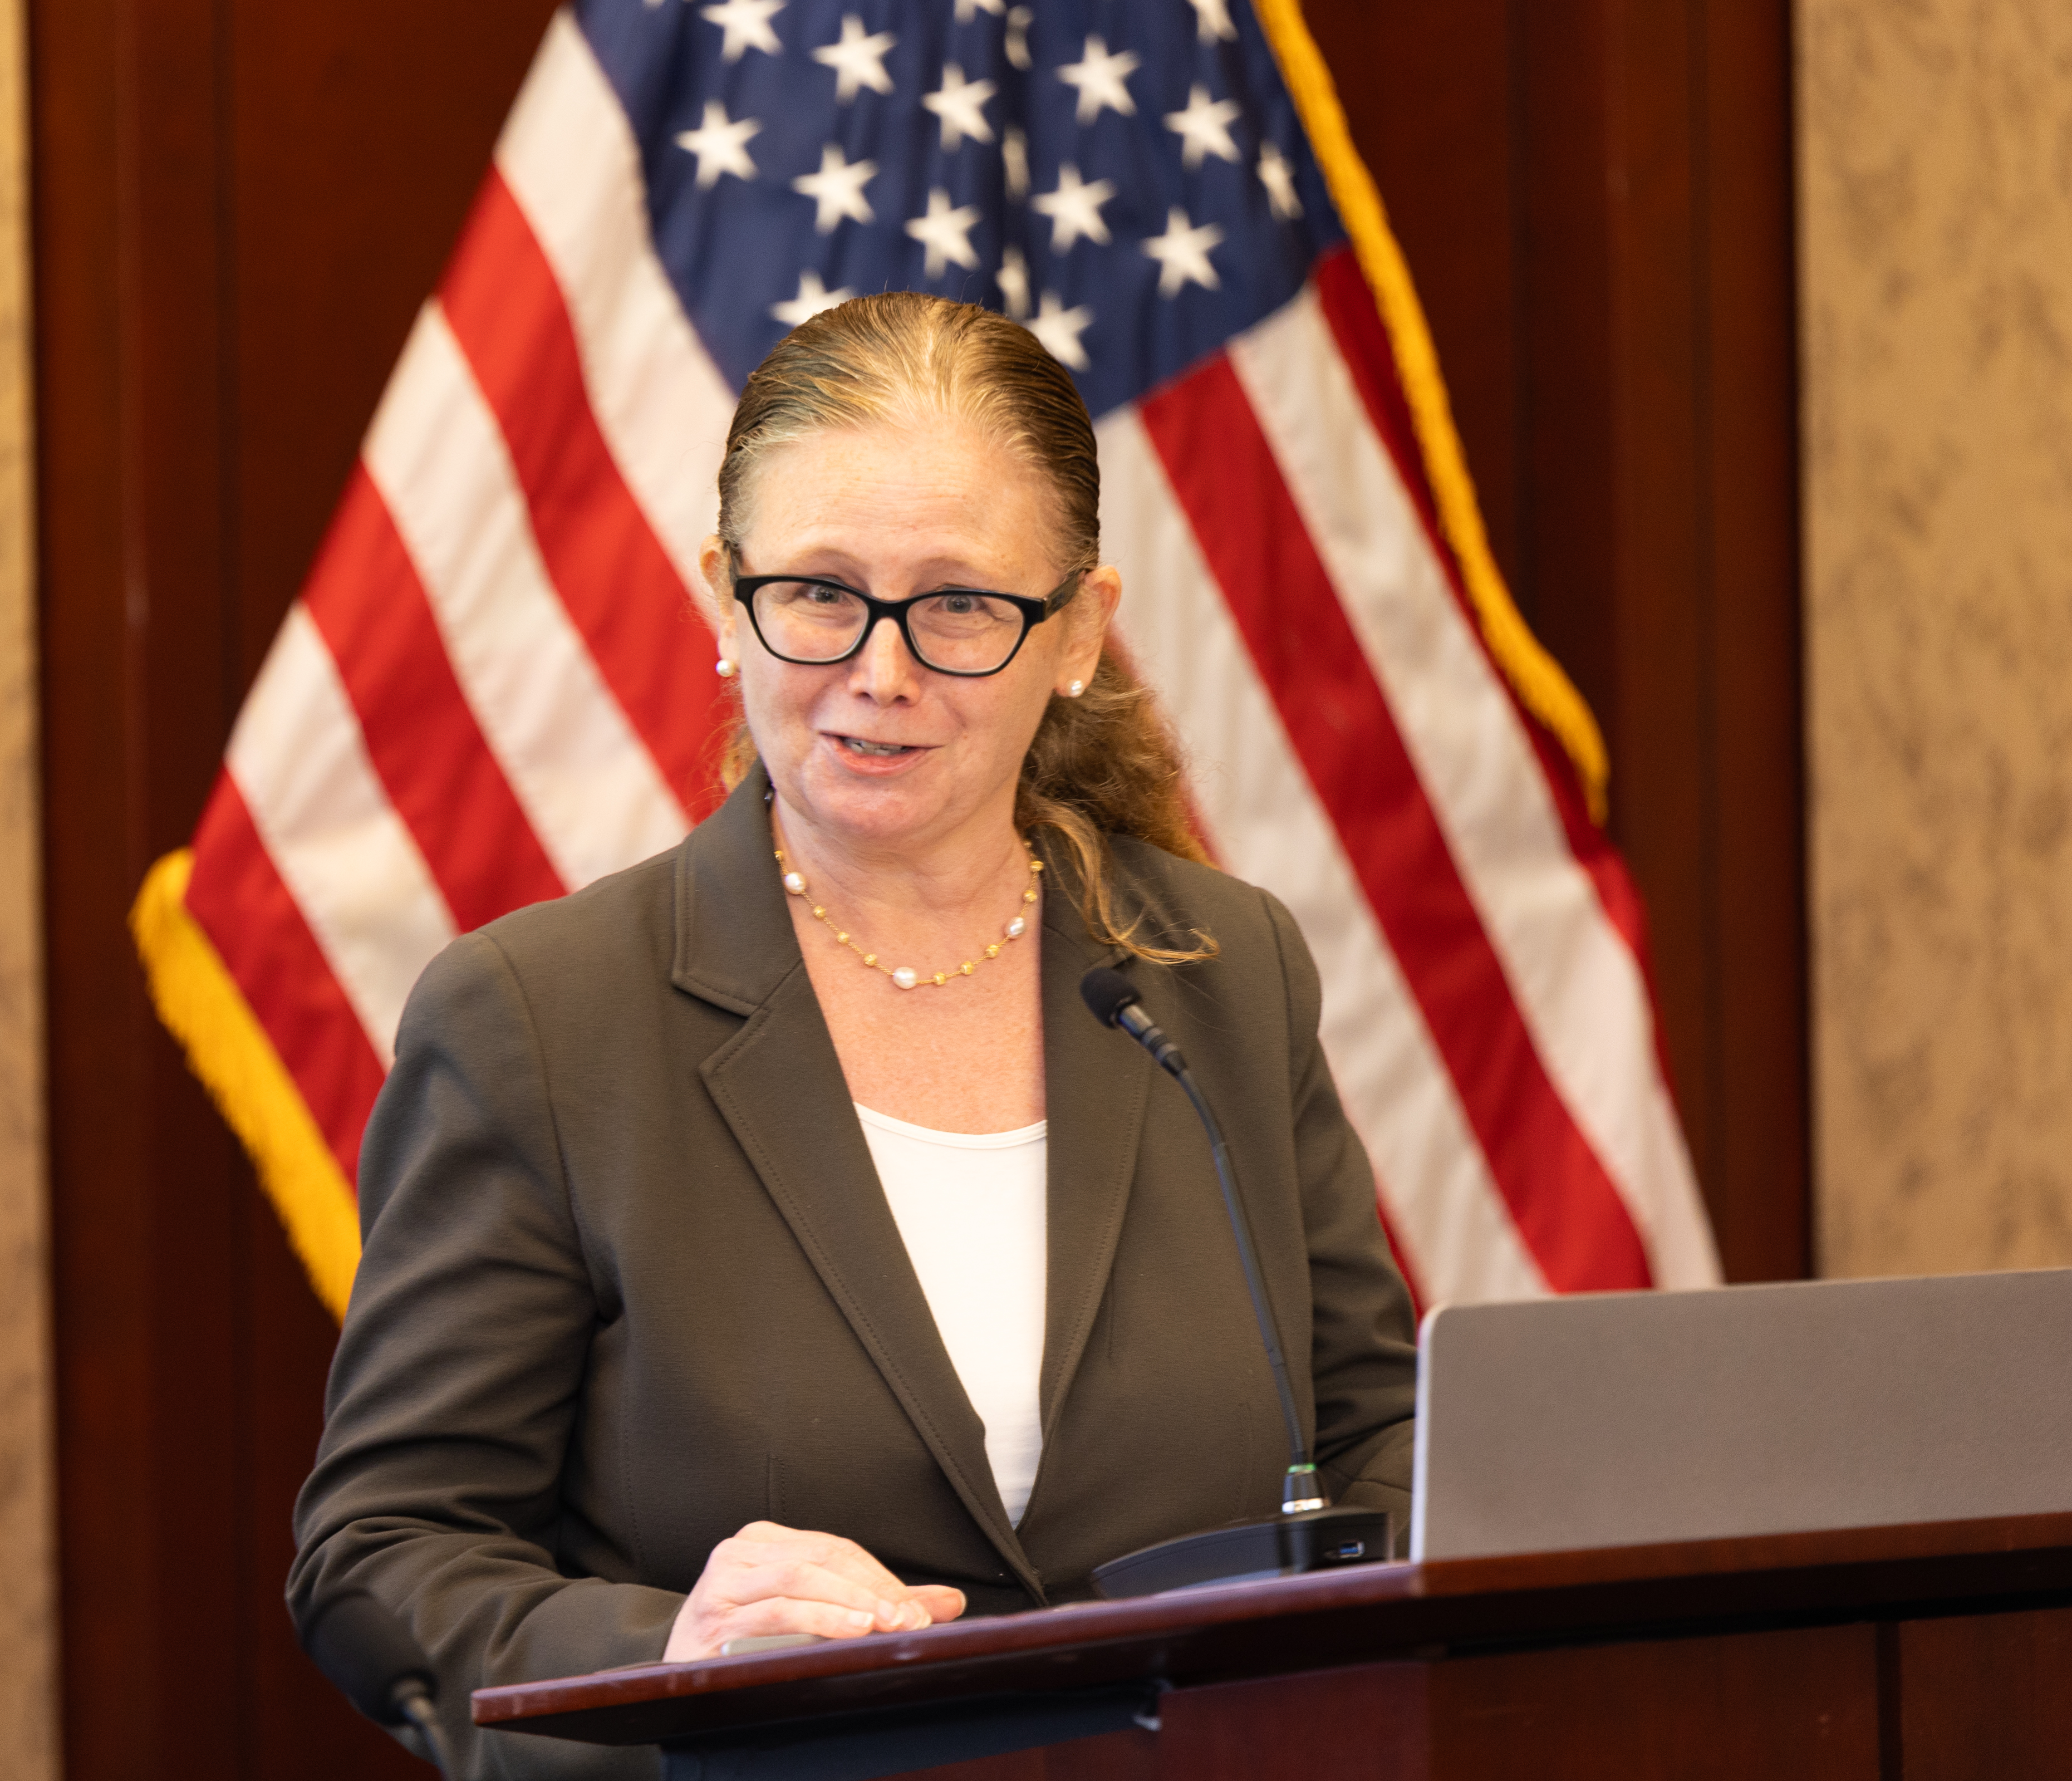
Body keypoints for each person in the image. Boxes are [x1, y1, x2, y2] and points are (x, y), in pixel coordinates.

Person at [289, 293, 1417, 1777]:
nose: (880, 671)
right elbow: (386, 1555)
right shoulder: (541, 1025)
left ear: (1077, 631)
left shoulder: (1217, 971)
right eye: (819, 592)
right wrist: (673, 1656)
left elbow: (1377, 1443)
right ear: (723, 595)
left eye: (958, 604)